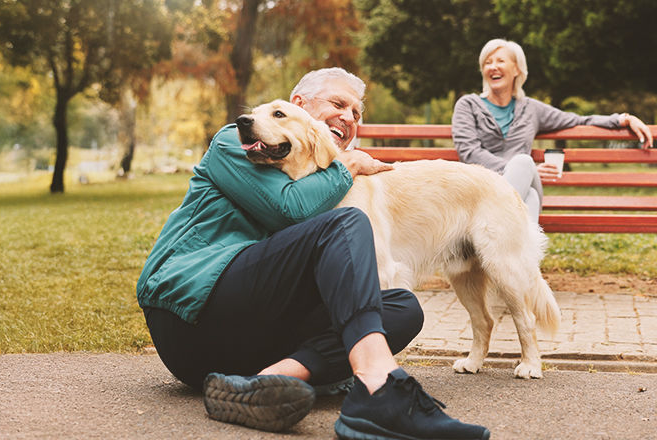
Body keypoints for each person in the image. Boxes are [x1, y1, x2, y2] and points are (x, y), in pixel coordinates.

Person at [137, 67, 490, 439]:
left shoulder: (320, 180)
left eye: (356, 113)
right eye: (337, 103)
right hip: (189, 316)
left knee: (402, 308)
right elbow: (288, 210)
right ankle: (381, 389)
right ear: (299, 105)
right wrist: (347, 165)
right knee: (347, 223)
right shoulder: (238, 139)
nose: (348, 117)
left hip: (248, 345)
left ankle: (266, 383)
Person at [452, 38, 652, 219]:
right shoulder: (467, 105)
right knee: (528, 191)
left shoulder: (531, 108)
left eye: (500, 61)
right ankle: (521, 257)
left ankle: (493, 228)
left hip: (497, 206)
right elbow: (469, 153)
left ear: (517, 69)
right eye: (487, 63)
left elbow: (578, 120)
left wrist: (623, 119)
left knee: (523, 163)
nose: (493, 67)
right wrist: (518, 171)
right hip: (482, 190)